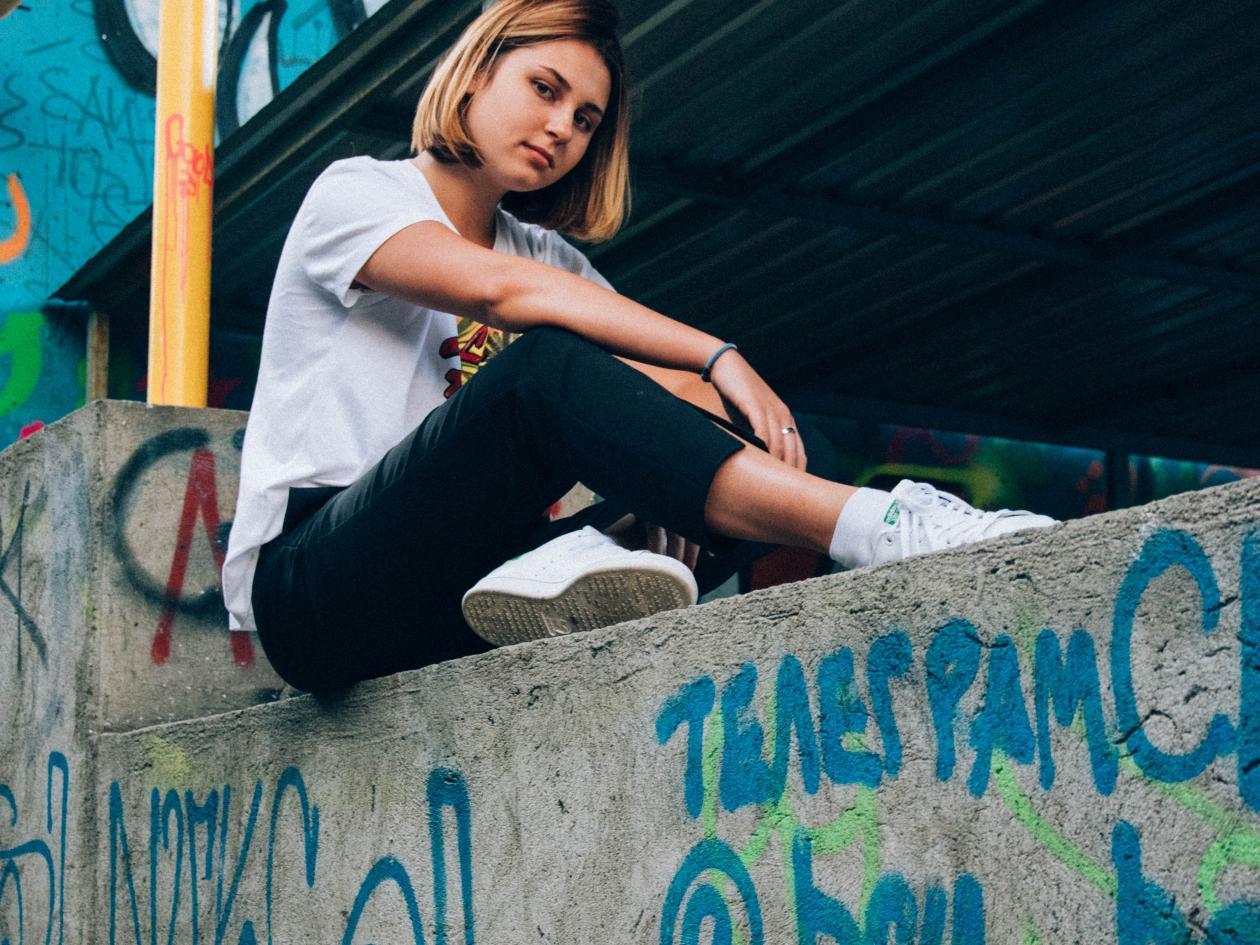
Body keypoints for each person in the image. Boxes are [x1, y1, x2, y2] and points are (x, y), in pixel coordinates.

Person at [222, 0, 1055, 693]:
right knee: (544, 368)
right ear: (476, 71)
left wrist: (681, 462)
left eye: (584, 119)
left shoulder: (550, 256)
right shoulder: (358, 194)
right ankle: (889, 526)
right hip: (321, 591)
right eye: (543, 89)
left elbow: (673, 402)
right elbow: (502, 294)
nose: (561, 129)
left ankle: (616, 559)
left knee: (790, 442)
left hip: (466, 592)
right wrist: (718, 352)